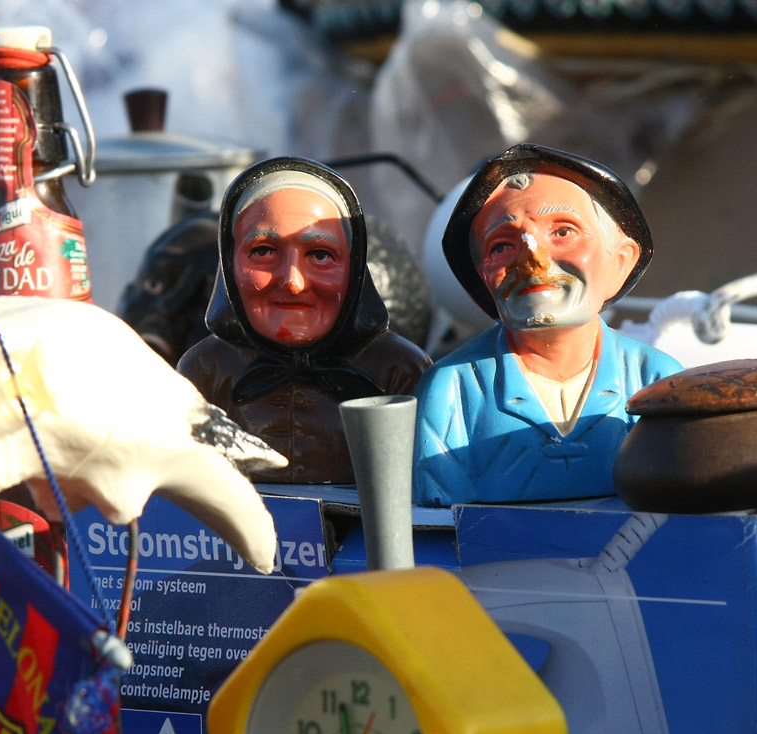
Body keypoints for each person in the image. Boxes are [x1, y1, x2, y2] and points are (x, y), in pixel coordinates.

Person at [412, 144, 682, 507]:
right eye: (502, 246)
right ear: (484, 280)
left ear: (620, 262)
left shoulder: (657, 381)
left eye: (562, 232)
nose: (533, 258)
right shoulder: (453, 392)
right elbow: (436, 520)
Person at [177, 157, 430, 484]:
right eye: (264, 251)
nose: (293, 282)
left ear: (354, 269)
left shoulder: (400, 370)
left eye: (320, 255)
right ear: (229, 263)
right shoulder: (205, 369)